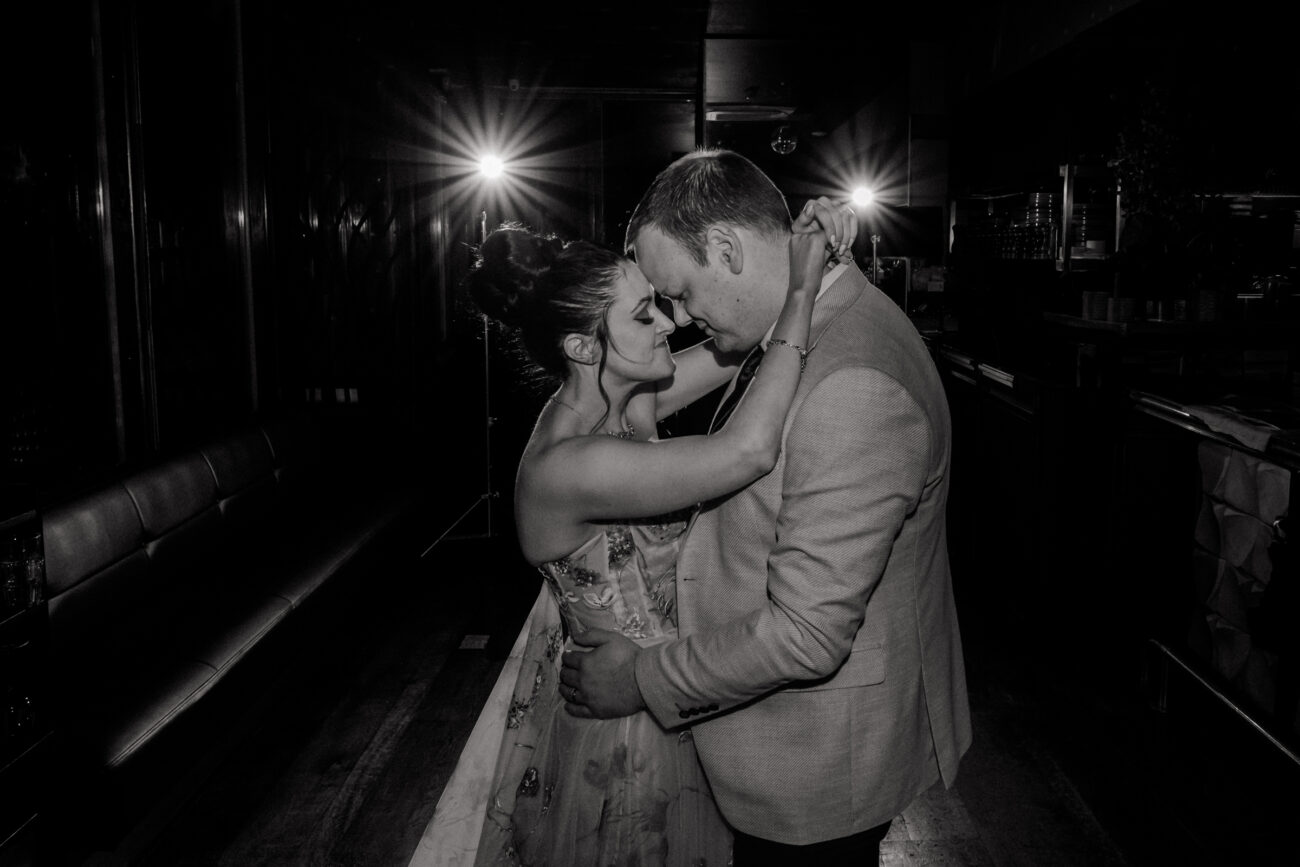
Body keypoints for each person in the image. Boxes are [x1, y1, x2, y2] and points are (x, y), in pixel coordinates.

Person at [560, 148, 972, 865]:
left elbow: (808, 634)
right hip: (769, 741)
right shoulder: (798, 316)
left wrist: (638, 677)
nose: (680, 318)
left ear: (725, 247)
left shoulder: (854, 382)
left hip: (814, 768)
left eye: (681, 293)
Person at [465, 198, 856, 866]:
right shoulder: (570, 465)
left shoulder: (625, 400)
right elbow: (748, 449)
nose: (669, 323)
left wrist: (801, 251)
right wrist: (797, 284)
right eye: (645, 312)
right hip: (626, 734)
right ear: (585, 346)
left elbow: (739, 349)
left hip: (671, 692)